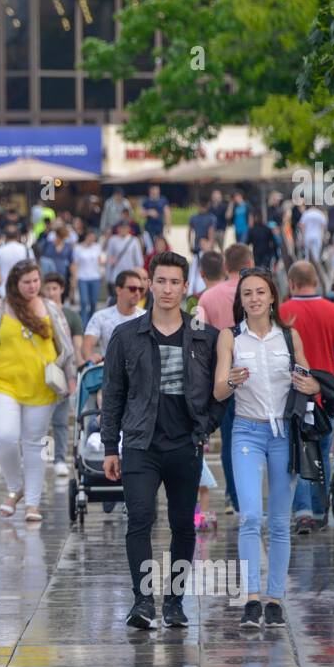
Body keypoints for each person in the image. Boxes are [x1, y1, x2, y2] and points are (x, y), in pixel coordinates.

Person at [101, 251, 221, 630]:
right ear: (149, 284)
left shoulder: (204, 336)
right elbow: (113, 393)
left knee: (184, 523)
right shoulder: (126, 335)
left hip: (185, 442)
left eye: (175, 282)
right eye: (161, 281)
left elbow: (222, 392)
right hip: (140, 441)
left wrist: (205, 427)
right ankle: (142, 601)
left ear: (186, 288)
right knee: (139, 517)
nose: (167, 289)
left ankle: (174, 602)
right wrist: (108, 446)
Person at [213, 268, 321, 627]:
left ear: (273, 296)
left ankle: (275, 598)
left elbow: (309, 384)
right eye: (247, 293)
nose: (254, 298)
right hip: (246, 431)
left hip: (284, 435)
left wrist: (309, 386)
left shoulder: (289, 337)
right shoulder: (230, 338)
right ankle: (252, 597)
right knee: (250, 516)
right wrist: (230, 380)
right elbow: (218, 391)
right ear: (240, 300)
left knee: (278, 521)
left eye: (261, 292)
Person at [0, 261, 77, 523]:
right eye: (26, 282)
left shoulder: (52, 308)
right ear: (14, 284)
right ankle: (15, 486)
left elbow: (65, 346)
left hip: (42, 386)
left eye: (35, 281)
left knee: (35, 444)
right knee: (4, 436)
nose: (32, 286)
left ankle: (32, 503)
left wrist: (71, 378)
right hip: (3, 383)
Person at [281, 260, 334, 532]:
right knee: (322, 452)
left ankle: (303, 512)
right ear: (316, 282)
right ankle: (320, 511)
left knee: (298, 455)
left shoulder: (282, 311)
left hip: (291, 396)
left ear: (291, 284)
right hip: (325, 396)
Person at [196, 244, 253, 516]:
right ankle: (247, 495)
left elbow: (198, 337)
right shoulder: (256, 292)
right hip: (254, 375)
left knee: (230, 437)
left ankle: (233, 496)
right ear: (249, 262)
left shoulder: (208, 297)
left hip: (221, 375)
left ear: (225, 266)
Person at [43, 273, 84, 477]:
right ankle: (44, 458)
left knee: (59, 421)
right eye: (47, 288)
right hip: (38, 374)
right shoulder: (36, 314)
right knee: (39, 423)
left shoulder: (71, 316)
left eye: (54, 288)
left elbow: (76, 346)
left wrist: (76, 372)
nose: (51, 292)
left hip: (61, 375)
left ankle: (59, 458)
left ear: (61, 290)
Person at [83, 269, 146, 364]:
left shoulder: (147, 317)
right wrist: (90, 358)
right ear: (118, 290)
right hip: (110, 372)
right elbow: (87, 345)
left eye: (140, 289)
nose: (137, 293)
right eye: (132, 289)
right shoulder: (101, 316)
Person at [103, 220, 144, 303]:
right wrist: (108, 276)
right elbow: (109, 259)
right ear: (118, 229)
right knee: (115, 300)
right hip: (115, 276)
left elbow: (139, 260)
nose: (123, 230)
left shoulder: (134, 240)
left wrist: (139, 275)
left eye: (125, 228)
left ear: (129, 229)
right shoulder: (113, 240)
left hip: (130, 274)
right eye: (121, 228)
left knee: (128, 299)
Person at [73, 228, 103, 327]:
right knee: (84, 302)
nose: (92, 239)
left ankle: (92, 323)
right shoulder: (78, 248)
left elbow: (100, 261)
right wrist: (74, 277)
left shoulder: (97, 247)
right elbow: (75, 264)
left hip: (95, 277)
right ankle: (83, 325)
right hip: (83, 278)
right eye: (90, 236)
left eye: (93, 237)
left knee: (93, 302)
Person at [0, 225, 30, 296]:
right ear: (18, 236)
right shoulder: (26, 250)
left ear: (4, 236)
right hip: (21, 289)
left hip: (2, 290)